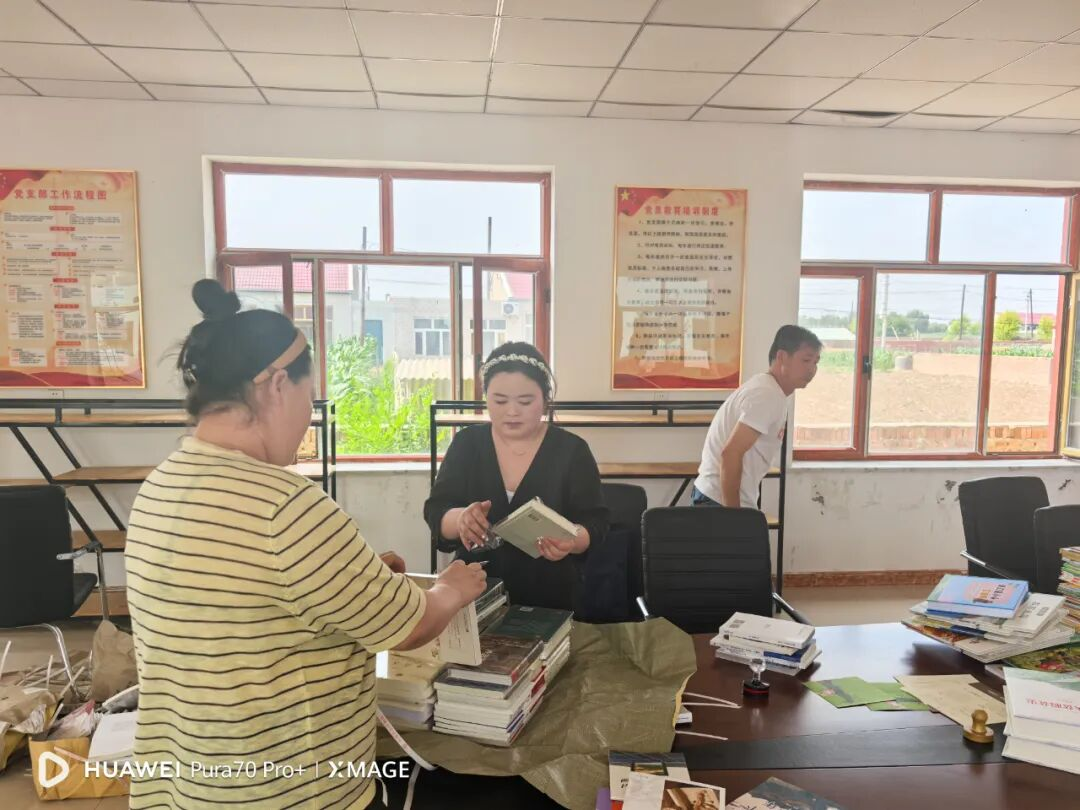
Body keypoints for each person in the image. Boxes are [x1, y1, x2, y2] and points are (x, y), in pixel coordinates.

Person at [125, 280, 486, 810]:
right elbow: (410, 627)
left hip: (189, 783)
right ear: (277, 385)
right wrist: (450, 589)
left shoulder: (161, 485)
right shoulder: (285, 505)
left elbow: (241, 601)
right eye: (309, 397)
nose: (309, 415)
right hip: (288, 789)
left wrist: (356, 574)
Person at [424, 342, 608, 610]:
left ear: (545, 400)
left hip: (550, 594)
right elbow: (436, 511)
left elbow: (596, 522)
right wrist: (461, 519)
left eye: (525, 401)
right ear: (486, 397)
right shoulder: (467, 444)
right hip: (474, 590)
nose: (511, 411)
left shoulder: (571, 450)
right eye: (499, 401)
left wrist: (572, 540)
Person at [693, 325, 822, 509]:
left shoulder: (768, 389)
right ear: (782, 357)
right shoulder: (767, 395)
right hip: (718, 502)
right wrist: (734, 516)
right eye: (806, 360)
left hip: (715, 497)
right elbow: (731, 453)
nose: (812, 369)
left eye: (816, 362)